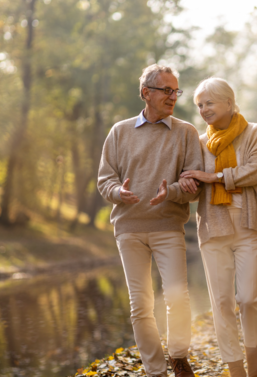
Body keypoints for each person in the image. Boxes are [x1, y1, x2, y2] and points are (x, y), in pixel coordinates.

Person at [97, 64, 201, 377]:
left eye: (176, 90)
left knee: (177, 295)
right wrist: (118, 192)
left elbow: (194, 186)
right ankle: (155, 370)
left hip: (168, 227)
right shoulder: (119, 131)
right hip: (128, 230)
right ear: (146, 93)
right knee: (140, 304)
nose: (173, 96)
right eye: (166, 90)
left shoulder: (186, 133)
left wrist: (169, 192)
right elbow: (104, 180)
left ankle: (179, 356)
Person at [179, 78, 257, 377]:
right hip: (214, 229)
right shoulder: (199, 142)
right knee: (221, 302)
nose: (204, 109)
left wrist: (215, 177)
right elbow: (193, 186)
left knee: (248, 298)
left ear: (229, 103)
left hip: (250, 227)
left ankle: (253, 352)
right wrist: (184, 183)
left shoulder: (255, 133)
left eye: (209, 103)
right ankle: (235, 369)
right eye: (200, 105)